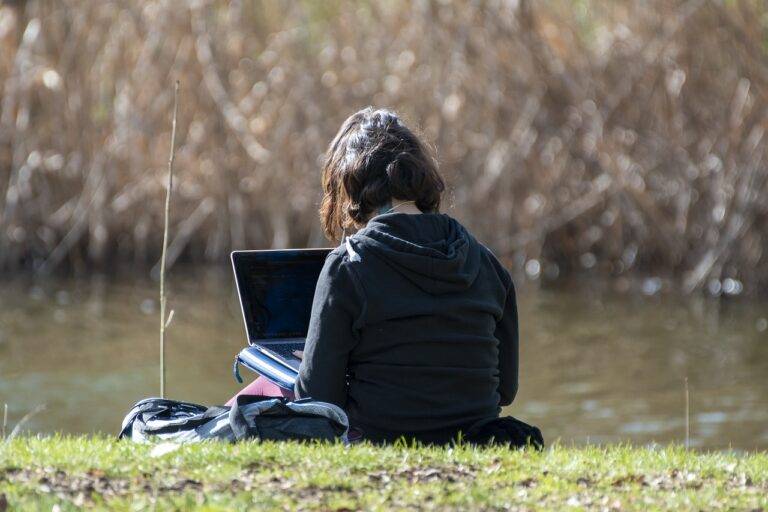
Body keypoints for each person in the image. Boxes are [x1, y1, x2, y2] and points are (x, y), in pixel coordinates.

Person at [228, 107, 535, 446]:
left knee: (261, 391)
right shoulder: (487, 263)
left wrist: (317, 365)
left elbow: (318, 401)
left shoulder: (348, 266)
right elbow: (505, 390)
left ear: (348, 186)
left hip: (381, 441)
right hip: (473, 438)